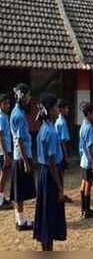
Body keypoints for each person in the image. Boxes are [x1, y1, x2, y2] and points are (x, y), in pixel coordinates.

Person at [33, 93, 66, 251]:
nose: (56, 110)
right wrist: (60, 188)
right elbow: (53, 164)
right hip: (51, 175)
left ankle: (45, 247)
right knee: (50, 214)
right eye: (54, 107)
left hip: (43, 175)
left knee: (45, 212)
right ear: (49, 110)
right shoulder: (51, 132)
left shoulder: (43, 128)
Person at [10, 83, 36, 231]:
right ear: (22, 96)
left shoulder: (17, 111)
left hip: (19, 156)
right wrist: (26, 162)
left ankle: (20, 219)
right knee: (20, 192)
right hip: (21, 157)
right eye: (27, 95)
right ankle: (21, 222)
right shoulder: (19, 115)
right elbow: (20, 140)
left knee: (18, 191)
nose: (29, 98)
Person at [79, 102, 93, 218]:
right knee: (88, 185)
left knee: (84, 183)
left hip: (84, 160)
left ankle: (83, 208)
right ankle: (87, 210)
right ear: (88, 113)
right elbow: (89, 147)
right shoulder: (88, 128)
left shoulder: (83, 126)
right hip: (89, 162)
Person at [54, 99, 73, 203]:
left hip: (59, 149)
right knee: (61, 173)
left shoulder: (58, 121)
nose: (67, 110)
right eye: (66, 108)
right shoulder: (62, 122)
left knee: (60, 173)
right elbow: (63, 141)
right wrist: (65, 155)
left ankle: (60, 192)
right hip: (62, 149)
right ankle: (60, 193)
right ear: (60, 109)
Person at [0, 94, 13, 210]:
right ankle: (0, 201)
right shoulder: (1, 117)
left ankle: (2, 198)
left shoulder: (5, 116)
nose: (7, 106)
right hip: (3, 152)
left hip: (6, 150)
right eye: (5, 103)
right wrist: (5, 154)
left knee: (4, 175)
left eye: (8, 103)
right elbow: (0, 136)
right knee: (3, 175)